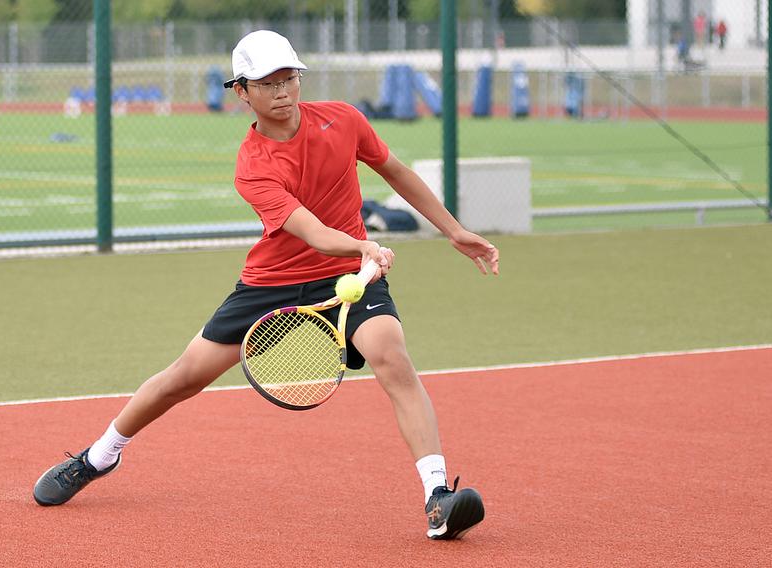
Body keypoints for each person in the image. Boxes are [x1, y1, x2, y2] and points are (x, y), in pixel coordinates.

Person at [32, 29, 499, 540]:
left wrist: (453, 231)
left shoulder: (343, 120)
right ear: (242, 92)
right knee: (183, 378)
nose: (282, 91)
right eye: (267, 82)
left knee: (393, 357)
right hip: (273, 283)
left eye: (288, 78)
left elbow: (395, 171)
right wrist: (362, 247)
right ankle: (99, 457)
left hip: (345, 276)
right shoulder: (253, 165)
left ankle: (437, 498)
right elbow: (314, 233)